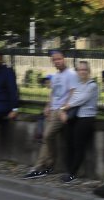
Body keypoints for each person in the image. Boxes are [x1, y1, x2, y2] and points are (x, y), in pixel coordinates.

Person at [24, 50, 78, 179]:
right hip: (52, 110)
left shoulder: (71, 74)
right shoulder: (55, 75)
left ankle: (44, 165)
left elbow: (73, 93)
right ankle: (44, 166)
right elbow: (53, 93)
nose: (57, 61)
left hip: (60, 111)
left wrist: (63, 109)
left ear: (64, 59)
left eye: (59, 59)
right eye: (54, 60)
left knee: (47, 136)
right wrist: (47, 106)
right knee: (46, 138)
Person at [62, 59, 101, 182]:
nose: (82, 72)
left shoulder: (92, 85)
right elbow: (73, 97)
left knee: (79, 145)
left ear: (89, 71)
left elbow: (82, 99)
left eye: (84, 69)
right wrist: (65, 108)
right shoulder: (78, 84)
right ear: (77, 71)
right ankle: (68, 170)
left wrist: (66, 107)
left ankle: (73, 173)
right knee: (69, 144)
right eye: (80, 70)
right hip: (75, 117)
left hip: (86, 118)